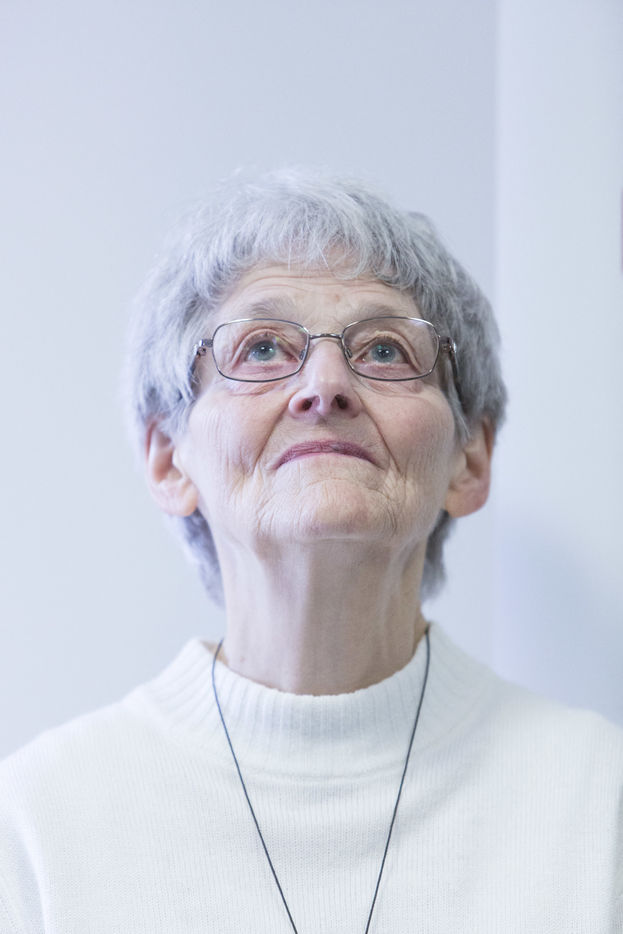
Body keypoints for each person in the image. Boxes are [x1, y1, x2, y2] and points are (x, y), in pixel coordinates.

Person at [0, 168, 621, 934]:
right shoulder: (35, 830)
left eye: (385, 350)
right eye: (262, 347)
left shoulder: (601, 807)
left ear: (470, 459)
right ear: (167, 458)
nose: (325, 386)